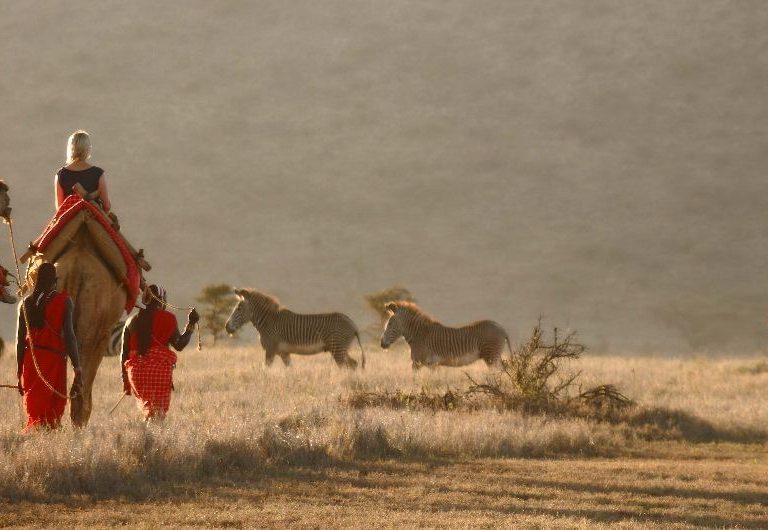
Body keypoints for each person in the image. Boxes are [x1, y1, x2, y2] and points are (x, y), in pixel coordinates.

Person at [16, 262, 82, 432]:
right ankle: (48, 437)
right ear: (54, 281)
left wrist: (19, 371)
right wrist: (77, 366)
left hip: (31, 361)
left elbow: (19, 342)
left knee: (35, 408)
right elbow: (70, 336)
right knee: (52, 408)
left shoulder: (25, 303)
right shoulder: (64, 301)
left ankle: (36, 438)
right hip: (54, 360)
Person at [121, 285, 199, 420]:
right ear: (161, 300)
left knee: (148, 412)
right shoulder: (168, 318)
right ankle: (153, 440)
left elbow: (124, 354)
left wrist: (126, 382)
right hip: (159, 371)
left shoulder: (130, 321)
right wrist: (191, 324)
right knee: (157, 415)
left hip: (135, 374)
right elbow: (179, 345)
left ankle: (147, 438)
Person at [55, 130, 111, 213]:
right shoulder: (98, 173)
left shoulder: (61, 174)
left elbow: (60, 208)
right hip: (93, 216)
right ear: (87, 149)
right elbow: (106, 205)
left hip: (70, 219)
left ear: (70, 149)